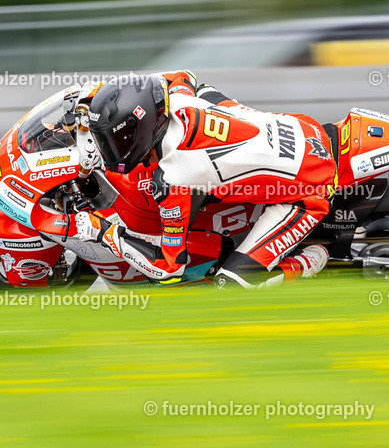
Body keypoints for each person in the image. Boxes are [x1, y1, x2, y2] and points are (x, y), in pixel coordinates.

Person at [70, 71, 333, 288]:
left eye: (116, 139)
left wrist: (104, 232)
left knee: (229, 286)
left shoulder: (173, 175)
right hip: (302, 128)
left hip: (309, 189)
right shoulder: (176, 98)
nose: (108, 149)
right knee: (208, 95)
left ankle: (304, 263)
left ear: (142, 128)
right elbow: (184, 76)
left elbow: (169, 269)